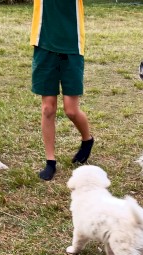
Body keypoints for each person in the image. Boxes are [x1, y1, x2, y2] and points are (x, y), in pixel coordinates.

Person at [30, 0, 94, 181]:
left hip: (72, 47)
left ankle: (87, 140)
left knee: (71, 110)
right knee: (47, 108)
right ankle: (50, 161)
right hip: (44, 44)